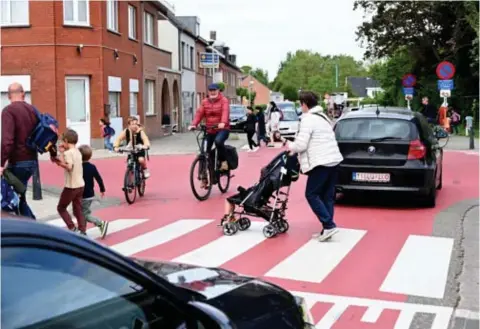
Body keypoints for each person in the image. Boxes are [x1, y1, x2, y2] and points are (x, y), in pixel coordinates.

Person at [279, 91, 343, 241]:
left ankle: (329, 225)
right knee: (327, 196)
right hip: (334, 160)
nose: (300, 107)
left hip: (321, 162)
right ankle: (327, 229)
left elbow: (301, 145)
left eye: (300, 104)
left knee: (311, 194)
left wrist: (289, 145)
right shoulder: (324, 117)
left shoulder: (308, 119)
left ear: (304, 104)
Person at [0, 83, 39, 218]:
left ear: (9, 95)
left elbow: (7, 141)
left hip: (18, 162)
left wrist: (1, 163)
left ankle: (35, 230)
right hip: (31, 161)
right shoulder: (33, 110)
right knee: (18, 197)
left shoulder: (8, 111)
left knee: (14, 198)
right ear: (23, 93)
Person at [189, 83, 230, 171]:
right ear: (208, 92)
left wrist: (223, 122)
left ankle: (223, 161)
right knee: (203, 151)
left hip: (222, 129)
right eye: (211, 91)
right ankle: (203, 176)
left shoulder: (224, 100)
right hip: (210, 130)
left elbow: (225, 112)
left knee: (218, 142)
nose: (212, 92)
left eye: (214, 90)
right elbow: (199, 114)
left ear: (218, 91)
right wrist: (193, 124)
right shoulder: (205, 102)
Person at [53, 129, 87, 235]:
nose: (62, 144)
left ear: (66, 141)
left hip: (71, 186)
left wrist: (58, 162)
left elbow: (69, 166)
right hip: (81, 184)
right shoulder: (77, 151)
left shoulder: (68, 153)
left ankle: (72, 228)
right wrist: (62, 155)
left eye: (63, 142)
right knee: (78, 209)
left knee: (61, 207)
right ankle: (82, 230)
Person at [78, 145, 109, 239]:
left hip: (83, 194)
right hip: (90, 194)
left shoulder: (78, 167)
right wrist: (102, 189)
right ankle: (82, 231)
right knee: (83, 212)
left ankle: (100, 223)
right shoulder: (92, 167)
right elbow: (99, 179)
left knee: (84, 214)